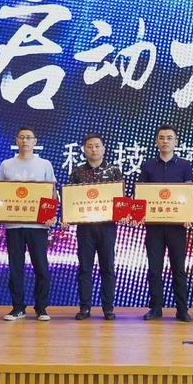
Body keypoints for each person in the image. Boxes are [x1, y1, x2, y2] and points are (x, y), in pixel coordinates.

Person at [0, 127, 56, 322]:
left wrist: (50, 215)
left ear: (35, 141)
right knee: (15, 268)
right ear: (16, 140)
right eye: (21, 137)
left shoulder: (44, 164)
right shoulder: (6, 164)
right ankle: (18, 307)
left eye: (28, 137)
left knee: (41, 268)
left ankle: (41, 308)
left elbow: (52, 192)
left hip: (38, 226)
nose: (25, 140)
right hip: (14, 226)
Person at [137, 125, 193, 322]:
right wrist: (139, 214)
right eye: (162, 137)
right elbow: (141, 194)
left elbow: (189, 194)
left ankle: (182, 310)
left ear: (176, 141)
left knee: (179, 269)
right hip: (154, 227)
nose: (165, 141)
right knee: (154, 269)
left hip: (177, 227)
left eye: (169, 138)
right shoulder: (148, 166)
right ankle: (156, 308)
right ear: (156, 141)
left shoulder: (185, 166)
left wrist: (189, 215)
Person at [69, 134, 123, 321]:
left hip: (107, 227)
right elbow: (71, 200)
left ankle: (108, 308)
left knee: (107, 267)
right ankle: (85, 308)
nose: (94, 149)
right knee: (85, 268)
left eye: (97, 146)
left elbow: (121, 200)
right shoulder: (77, 172)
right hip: (85, 227)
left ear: (104, 148)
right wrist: (68, 216)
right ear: (84, 149)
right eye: (90, 146)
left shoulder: (114, 171)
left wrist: (123, 214)